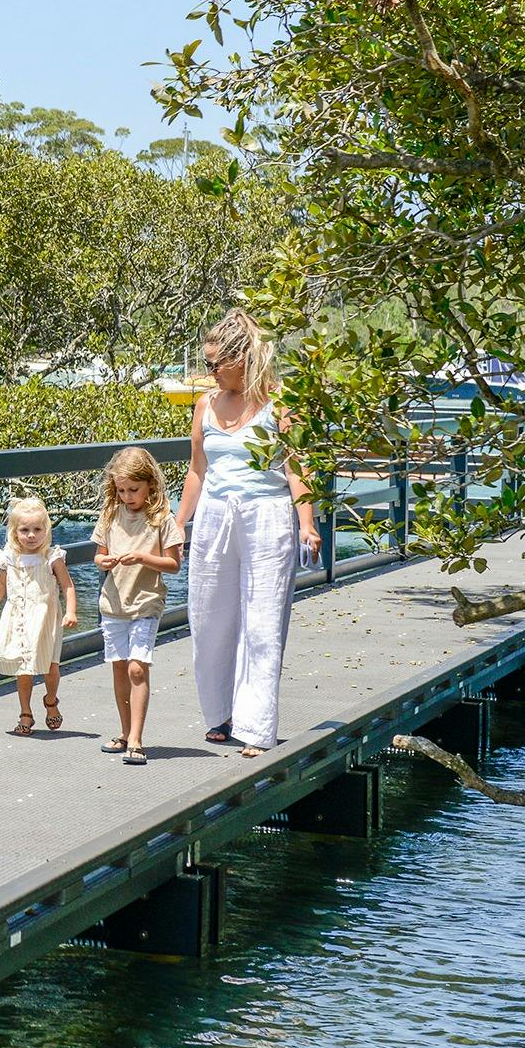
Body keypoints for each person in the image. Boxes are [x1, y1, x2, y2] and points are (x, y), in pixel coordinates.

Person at [176, 310, 321, 758]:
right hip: (216, 517)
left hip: (266, 514)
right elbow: (197, 470)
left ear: (243, 359)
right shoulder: (206, 405)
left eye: (216, 363)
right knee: (208, 616)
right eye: (208, 363)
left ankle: (257, 727)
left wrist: (308, 523)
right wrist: (178, 524)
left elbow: (298, 465)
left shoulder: (280, 403)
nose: (210, 372)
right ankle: (219, 714)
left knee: (262, 622)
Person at [92, 446, 184, 766]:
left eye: (133, 490)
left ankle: (136, 738)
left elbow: (173, 564)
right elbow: (99, 556)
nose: (127, 496)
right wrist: (106, 560)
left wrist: (144, 557)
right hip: (114, 602)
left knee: (136, 667)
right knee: (119, 667)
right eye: (121, 490)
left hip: (146, 602)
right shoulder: (110, 515)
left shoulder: (162, 520)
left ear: (150, 486)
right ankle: (123, 730)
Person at [0, 495, 76, 736]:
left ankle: (51, 701)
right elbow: (0, 585)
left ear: (46, 530)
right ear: (15, 532)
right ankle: (25, 712)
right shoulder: (10, 558)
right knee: (22, 667)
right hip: (19, 618)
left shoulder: (52, 557)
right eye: (25, 530)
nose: (31, 535)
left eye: (37, 529)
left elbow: (67, 586)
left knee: (50, 666)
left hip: (45, 619)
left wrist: (71, 611)